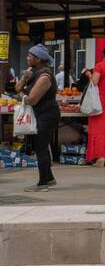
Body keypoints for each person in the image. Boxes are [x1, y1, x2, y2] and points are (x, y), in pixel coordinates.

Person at [15, 44, 60, 189]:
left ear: (39, 59)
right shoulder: (34, 72)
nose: (27, 58)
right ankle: (49, 179)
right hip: (39, 114)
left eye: (30, 56)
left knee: (41, 148)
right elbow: (17, 88)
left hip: (48, 115)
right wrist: (24, 78)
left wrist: (22, 96)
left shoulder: (45, 76)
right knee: (40, 147)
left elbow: (32, 99)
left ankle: (42, 183)